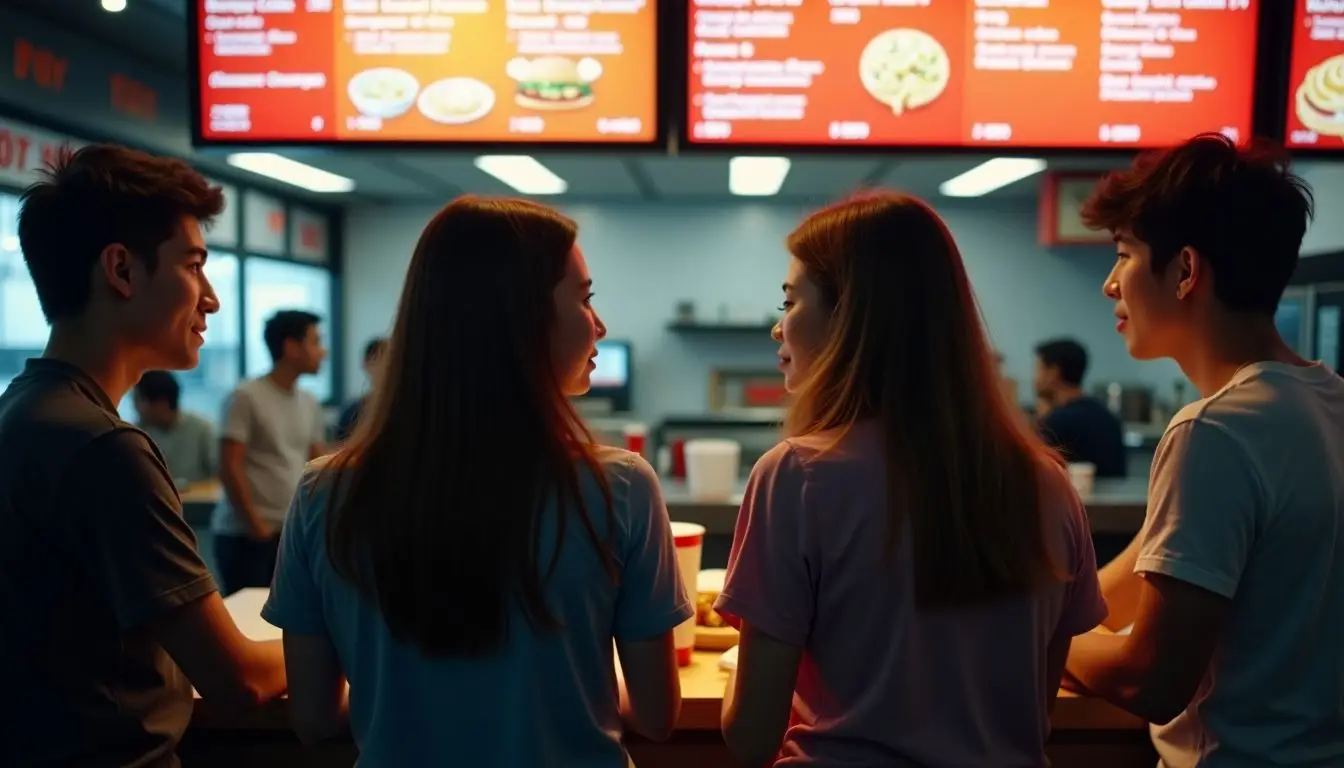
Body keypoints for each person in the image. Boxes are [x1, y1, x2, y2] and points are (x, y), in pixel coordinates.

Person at [261, 196, 689, 764]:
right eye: (585, 299)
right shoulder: (622, 487)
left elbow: (313, 718)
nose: (600, 323)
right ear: (525, 320)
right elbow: (657, 717)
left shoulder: (323, 493)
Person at [715, 191, 1106, 766]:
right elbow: (1034, 712)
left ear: (850, 317)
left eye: (789, 301)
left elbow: (750, 736)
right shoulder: (1047, 485)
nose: (779, 330)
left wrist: (739, 671)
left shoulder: (798, 476)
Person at [1063, 133, 1344, 766]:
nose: (1111, 284)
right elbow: (1134, 582)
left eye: (1124, 255)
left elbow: (1151, 679)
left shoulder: (1214, 430)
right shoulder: (1329, 403)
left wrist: (1033, 636)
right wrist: (1048, 606)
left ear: (1185, 270)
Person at [0, 145, 285, 766]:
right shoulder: (104, 449)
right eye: (194, 265)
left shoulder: (26, 413)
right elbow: (242, 681)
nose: (209, 298)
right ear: (122, 271)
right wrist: (346, 639)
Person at [212, 309, 328, 596]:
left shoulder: (309, 402)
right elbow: (229, 467)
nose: (322, 352)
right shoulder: (246, 396)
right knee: (250, 623)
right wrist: (256, 526)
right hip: (246, 536)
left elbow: (317, 463)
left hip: (289, 533)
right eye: (315, 342)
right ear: (291, 347)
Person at [1032, 338, 1128, 478]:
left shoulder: (1056, 423)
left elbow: (1040, 476)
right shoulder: (1108, 417)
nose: (1035, 379)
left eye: (1038, 369)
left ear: (1053, 372)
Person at [134, 370, 218, 485]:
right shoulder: (137, 433)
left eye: (139, 400)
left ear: (162, 403)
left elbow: (218, 474)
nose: (135, 407)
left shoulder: (202, 429)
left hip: (199, 500)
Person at [334, 336, 387, 442]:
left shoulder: (403, 408)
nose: (387, 368)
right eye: (381, 360)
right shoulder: (352, 412)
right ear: (367, 363)